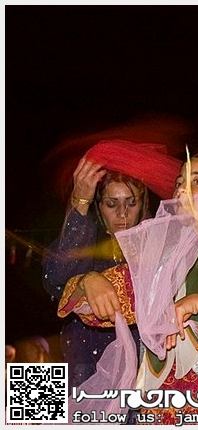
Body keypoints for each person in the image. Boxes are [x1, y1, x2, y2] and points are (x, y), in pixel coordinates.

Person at [58, 150, 198, 424]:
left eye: (197, 181)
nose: (182, 190)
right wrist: (88, 281)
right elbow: (88, 307)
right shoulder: (158, 268)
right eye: (179, 183)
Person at [42, 140, 181, 390]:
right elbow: (55, 279)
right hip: (88, 376)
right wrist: (79, 204)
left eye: (131, 202)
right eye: (111, 203)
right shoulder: (85, 240)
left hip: (147, 378)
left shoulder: (159, 244)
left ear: (143, 203)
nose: (122, 214)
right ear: (98, 206)